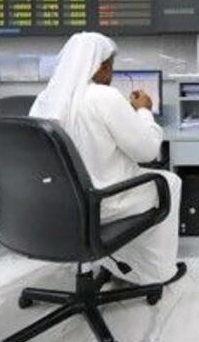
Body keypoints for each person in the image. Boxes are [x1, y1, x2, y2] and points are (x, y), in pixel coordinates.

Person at [29, 32, 181, 285]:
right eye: (110, 66)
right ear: (99, 66)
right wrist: (143, 110)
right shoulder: (103, 96)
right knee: (169, 181)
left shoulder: (44, 101)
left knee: (150, 181)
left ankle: (115, 263)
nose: (111, 73)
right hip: (102, 202)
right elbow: (148, 151)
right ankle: (154, 274)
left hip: (56, 204)